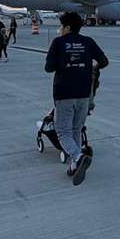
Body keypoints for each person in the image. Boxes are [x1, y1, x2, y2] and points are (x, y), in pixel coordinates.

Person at [45, 11, 109, 186]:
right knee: (76, 128)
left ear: (66, 27)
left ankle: (78, 157)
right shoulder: (88, 42)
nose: (60, 30)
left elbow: (48, 68)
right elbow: (104, 61)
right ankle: (74, 166)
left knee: (63, 132)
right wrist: (91, 68)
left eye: (61, 26)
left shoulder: (58, 42)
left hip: (64, 93)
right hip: (83, 93)